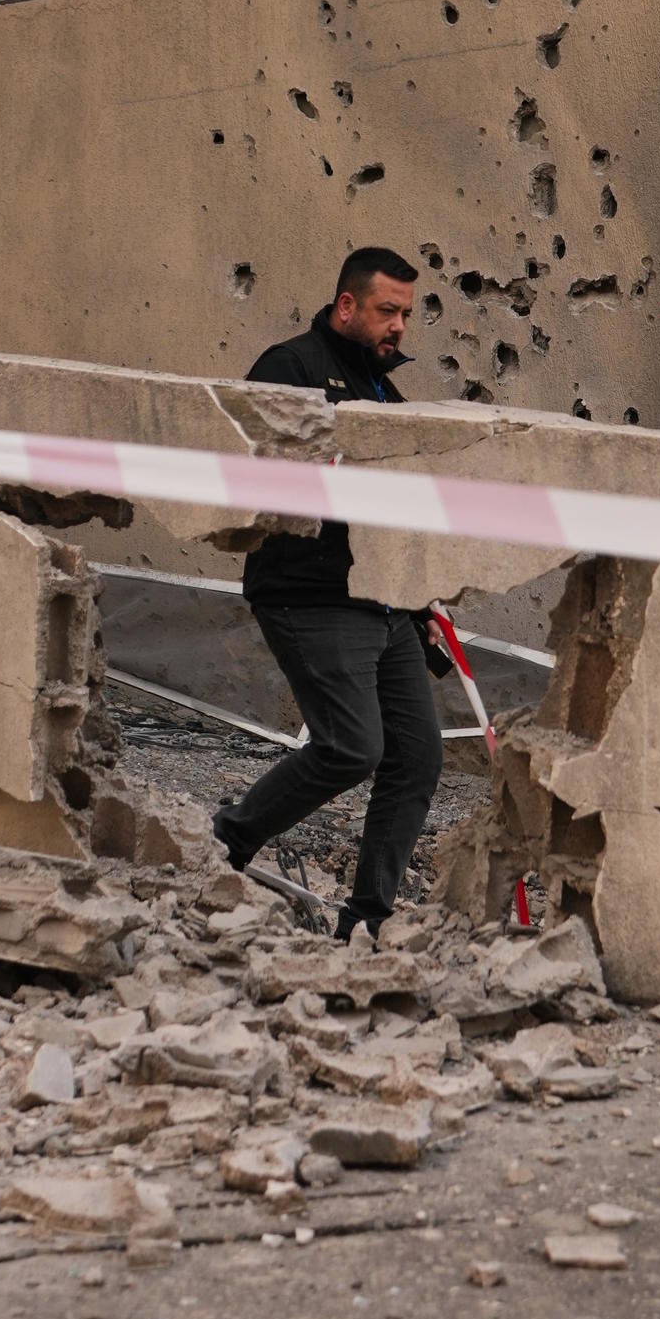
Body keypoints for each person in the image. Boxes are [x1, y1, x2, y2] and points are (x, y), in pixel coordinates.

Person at [212, 248, 443, 945]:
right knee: (352, 745)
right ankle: (226, 841)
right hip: (310, 594)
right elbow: (249, 475)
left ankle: (366, 920)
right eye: (386, 311)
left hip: (385, 602)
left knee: (418, 757)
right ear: (347, 306)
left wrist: (425, 601)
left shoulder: (386, 396)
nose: (399, 326)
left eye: (406, 313)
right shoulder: (290, 369)